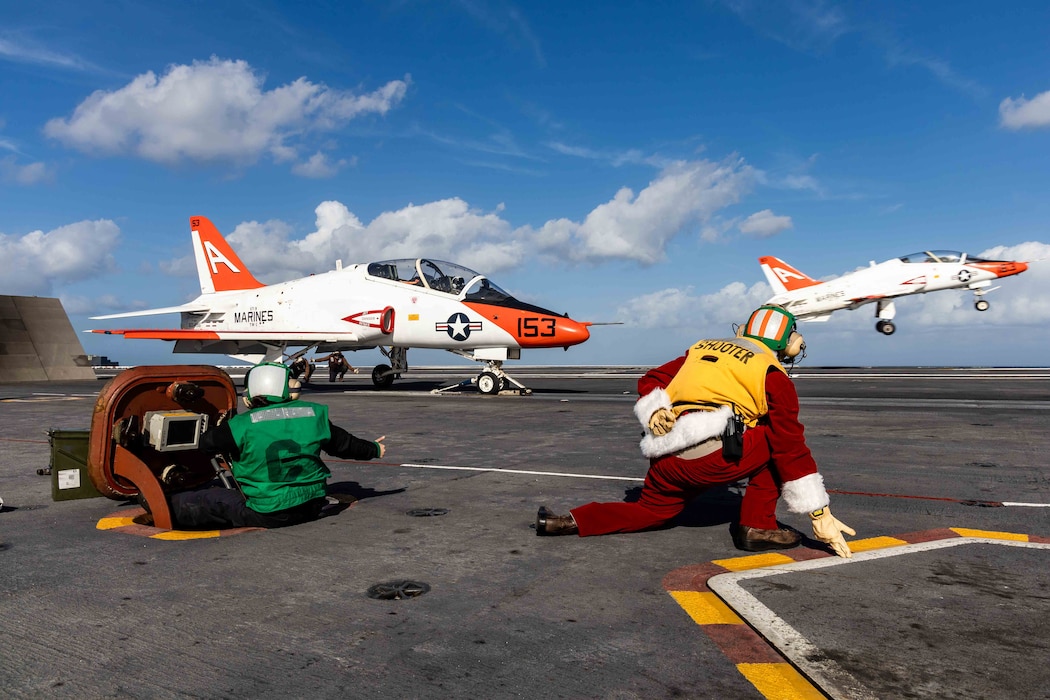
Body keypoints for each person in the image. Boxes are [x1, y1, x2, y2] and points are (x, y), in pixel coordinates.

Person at [535, 305, 856, 558]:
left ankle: (568, 521)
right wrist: (819, 513)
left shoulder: (701, 349)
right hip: (716, 456)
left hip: (665, 455)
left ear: (742, 331)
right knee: (776, 440)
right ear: (789, 343)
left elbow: (651, 379)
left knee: (651, 511)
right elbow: (791, 447)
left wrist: (658, 412)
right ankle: (757, 527)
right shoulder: (773, 374)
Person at [165, 362, 386, 530]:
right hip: (312, 505)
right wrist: (374, 449)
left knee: (205, 499)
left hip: (268, 513)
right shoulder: (312, 414)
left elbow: (206, 444)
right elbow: (345, 445)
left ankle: (162, 506)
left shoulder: (242, 425)